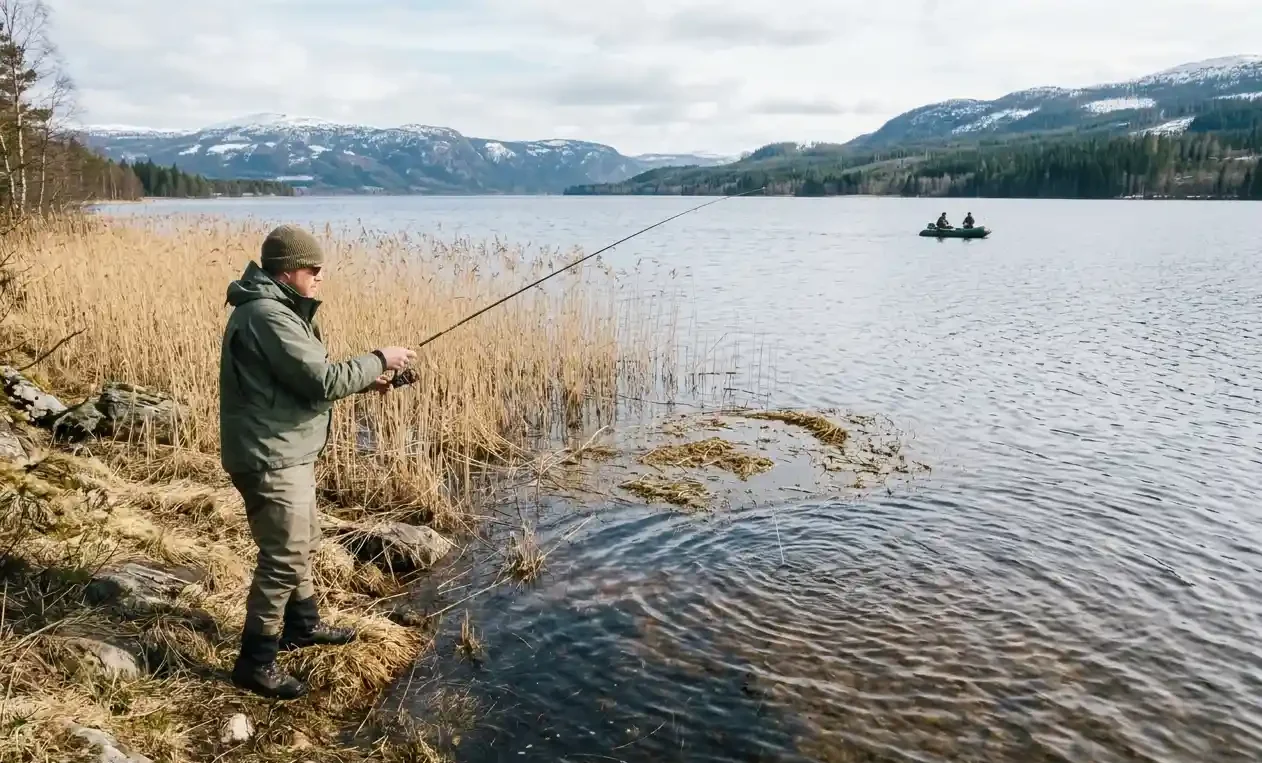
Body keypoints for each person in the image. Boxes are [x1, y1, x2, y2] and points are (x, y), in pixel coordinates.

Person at [219, 224, 416, 699]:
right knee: (283, 556)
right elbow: (322, 381)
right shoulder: (268, 315)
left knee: (302, 541)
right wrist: (379, 358)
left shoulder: (277, 311)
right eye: (315, 268)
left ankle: (302, 626)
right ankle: (255, 662)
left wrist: (365, 381)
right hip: (270, 456)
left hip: (285, 450)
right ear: (290, 271)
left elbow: (299, 382)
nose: (321, 276)